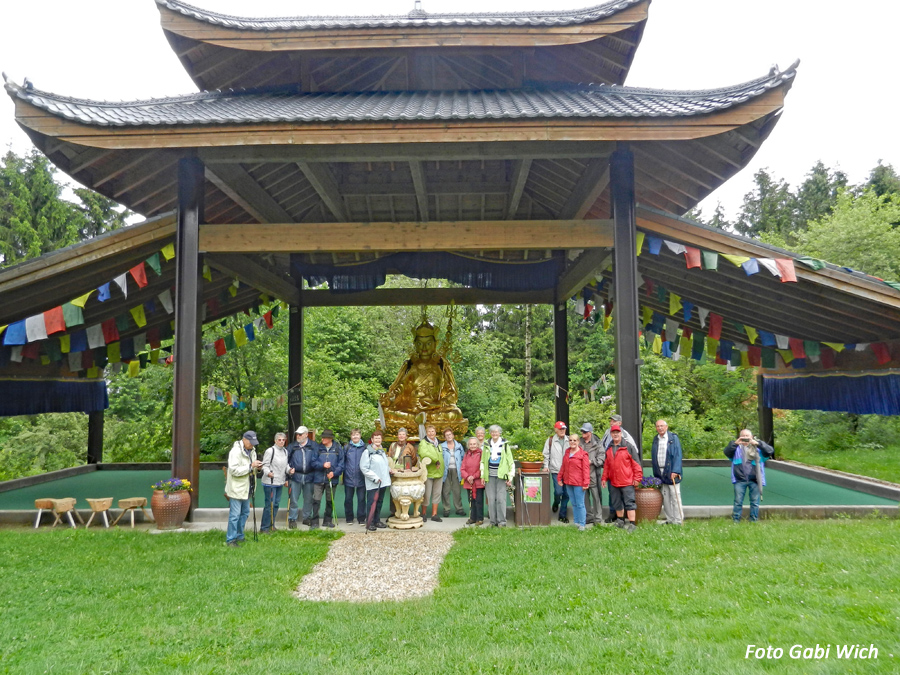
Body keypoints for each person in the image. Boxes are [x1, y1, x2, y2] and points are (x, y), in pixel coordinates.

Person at [724, 429, 774, 523]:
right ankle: (736, 520)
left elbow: (770, 451)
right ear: (739, 437)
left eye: (748, 436)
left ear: (752, 437)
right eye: (743, 436)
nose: (746, 438)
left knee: (754, 502)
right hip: (740, 479)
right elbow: (726, 452)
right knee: (738, 501)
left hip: (755, 480)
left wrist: (758, 444)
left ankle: (753, 520)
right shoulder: (735, 449)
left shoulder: (758, 449)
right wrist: (735, 443)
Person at [600, 424, 642, 533]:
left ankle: (632, 524)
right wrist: (604, 478)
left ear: (621, 434)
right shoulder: (608, 448)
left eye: (617, 432)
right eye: (613, 433)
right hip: (614, 481)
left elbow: (636, 464)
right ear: (611, 434)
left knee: (630, 503)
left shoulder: (628, 447)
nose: (615, 434)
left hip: (627, 481)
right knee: (616, 502)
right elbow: (607, 466)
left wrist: (637, 478)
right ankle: (620, 521)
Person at [225, 430, 262, 547]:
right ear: (244, 440)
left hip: (247, 488)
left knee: (245, 513)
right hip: (236, 488)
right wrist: (251, 466)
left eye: (254, 442)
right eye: (250, 442)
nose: (252, 445)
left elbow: (252, 470)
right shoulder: (235, 451)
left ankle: (240, 536)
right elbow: (234, 470)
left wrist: (258, 468)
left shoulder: (252, 451)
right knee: (235, 515)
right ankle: (231, 539)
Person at [286, 426, 320, 529]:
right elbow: (285, 460)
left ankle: (306, 518)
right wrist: (288, 470)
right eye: (297, 434)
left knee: (308, 499)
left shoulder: (314, 446)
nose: (298, 436)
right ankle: (292, 519)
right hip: (295, 476)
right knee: (294, 499)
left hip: (310, 476)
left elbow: (318, 460)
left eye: (300, 434)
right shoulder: (292, 446)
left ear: (306, 434)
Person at [651, 420, 684, 525]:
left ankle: (678, 520)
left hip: (671, 471)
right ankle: (670, 519)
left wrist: (675, 470)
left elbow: (678, 455)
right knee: (665, 497)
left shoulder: (673, 438)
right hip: (660, 471)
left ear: (666, 427)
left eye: (662, 426)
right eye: (658, 426)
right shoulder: (655, 439)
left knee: (675, 495)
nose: (660, 428)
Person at [481, 425, 515, 527]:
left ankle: (502, 522)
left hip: (502, 476)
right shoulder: (486, 445)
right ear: (490, 433)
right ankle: (493, 521)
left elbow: (511, 462)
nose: (494, 434)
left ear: (500, 433)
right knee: (491, 499)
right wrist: (483, 475)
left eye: (496, 432)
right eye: (492, 432)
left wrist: (510, 477)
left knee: (501, 499)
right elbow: (482, 461)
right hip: (489, 476)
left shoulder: (505, 445)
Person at [360, 431, 392, 531]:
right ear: (372, 440)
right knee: (371, 503)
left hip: (383, 482)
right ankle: (370, 522)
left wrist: (389, 469)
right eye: (376, 438)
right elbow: (364, 468)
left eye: (379, 438)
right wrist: (375, 478)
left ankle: (377, 521)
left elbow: (383, 465)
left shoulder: (381, 451)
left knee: (379, 502)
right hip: (373, 483)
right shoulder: (367, 452)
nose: (378, 440)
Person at [312, 429, 344, 529]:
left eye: (324, 437)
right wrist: (322, 465)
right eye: (322, 437)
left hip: (332, 479)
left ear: (330, 439)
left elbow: (341, 464)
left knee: (330, 501)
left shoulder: (338, 449)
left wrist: (334, 473)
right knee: (316, 500)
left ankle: (327, 520)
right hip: (318, 479)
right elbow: (313, 462)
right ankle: (315, 521)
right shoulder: (317, 448)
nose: (322, 439)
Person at [558, 434, 590, 531]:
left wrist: (586, 483)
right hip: (568, 482)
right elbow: (563, 467)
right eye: (570, 440)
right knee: (573, 503)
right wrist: (559, 478)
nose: (572, 442)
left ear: (578, 442)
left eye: (574, 440)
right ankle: (576, 522)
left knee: (580, 504)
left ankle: (582, 524)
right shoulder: (567, 453)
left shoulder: (583, 454)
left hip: (579, 483)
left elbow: (586, 470)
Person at [260, 432, 289, 533]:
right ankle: (264, 527)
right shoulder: (270, 451)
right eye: (279, 440)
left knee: (276, 504)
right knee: (269, 505)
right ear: (275, 440)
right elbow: (265, 465)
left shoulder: (285, 451)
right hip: (270, 482)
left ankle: (272, 525)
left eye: (283, 440)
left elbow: (286, 465)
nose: (281, 442)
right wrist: (268, 473)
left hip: (279, 482)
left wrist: (290, 470)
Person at [542, 421, 570, 522]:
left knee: (566, 494)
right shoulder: (550, 441)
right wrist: (546, 466)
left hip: (568, 471)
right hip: (556, 470)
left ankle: (562, 515)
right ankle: (556, 502)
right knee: (558, 491)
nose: (562, 431)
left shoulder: (569, 440)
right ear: (556, 430)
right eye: (560, 429)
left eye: (563, 429)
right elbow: (546, 454)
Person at [580, 422, 605, 526]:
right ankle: (588, 516)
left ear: (590, 432)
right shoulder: (579, 442)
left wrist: (591, 461)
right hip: (582, 475)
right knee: (584, 497)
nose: (582, 433)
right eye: (582, 431)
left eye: (584, 431)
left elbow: (601, 459)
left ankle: (598, 519)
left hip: (594, 474)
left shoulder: (598, 443)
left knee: (596, 497)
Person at [342, 429, 368, 525]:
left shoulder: (365, 448)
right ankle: (349, 518)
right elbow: (343, 461)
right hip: (349, 477)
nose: (355, 437)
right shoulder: (347, 447)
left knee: (361, 499)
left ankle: (361, 518)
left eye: (357, 435)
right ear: (351, 437)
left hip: (362, 477)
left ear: (360, 436)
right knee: (348, 499)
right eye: (353, 435)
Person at [418, 424, 443, 522]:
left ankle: (434, 514)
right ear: (426, 433)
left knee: (437, 494)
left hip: (439, 472)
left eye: (433, 431)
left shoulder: (439, 443)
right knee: (426, 495)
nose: (431, 433)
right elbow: (424, 453)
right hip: (428, 473)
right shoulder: (423, 443)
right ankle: (423, 514)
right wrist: (435, 459)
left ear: (435, 433)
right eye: (429, 431)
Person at [441, 428, 466, 518]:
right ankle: (446, 509)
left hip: (456, 470)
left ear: (453, 435)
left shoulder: (459, 446)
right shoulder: (442, 446)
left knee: (457, 490)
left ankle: (459, 508)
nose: (449, 436)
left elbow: (463, 457)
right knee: (445, 490)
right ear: (444, 437)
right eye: (447, 435)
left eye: (450, 434)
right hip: (446, 470)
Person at [460, 436, 485, 525]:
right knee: (471, 500)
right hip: (468, 482)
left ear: (477, 444)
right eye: (471, 444)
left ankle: (480, 518)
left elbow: (482, 468)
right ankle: (472, 518)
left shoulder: (482, 454)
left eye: (474, 444)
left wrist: (473, 477)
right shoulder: (467, 454)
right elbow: (462, 468)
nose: (472, 445)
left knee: (478, 500)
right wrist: (467, 477)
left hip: (478, 482)